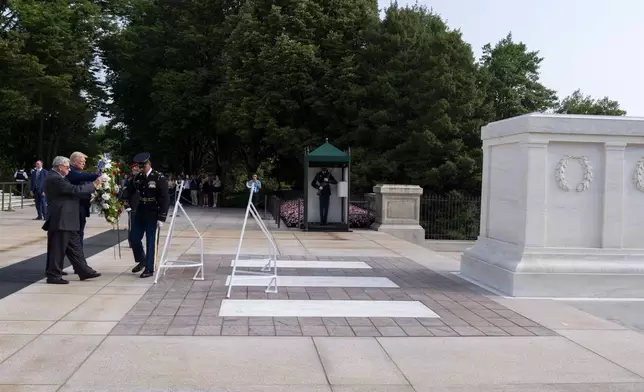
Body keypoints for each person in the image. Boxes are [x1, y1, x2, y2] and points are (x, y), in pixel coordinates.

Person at [42, 156, 104, 284]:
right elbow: (74, 190)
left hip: (67, 219)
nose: (69, 169)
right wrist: (94, 184)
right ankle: (53, 275)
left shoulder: (58, 177)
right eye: (67, 167)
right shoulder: (55, 178)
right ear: (60, 167)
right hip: (61, 219)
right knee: (58, 249)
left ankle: (83, 270)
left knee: (75, 248)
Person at [127, 152, 169, 278]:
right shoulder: (138, 177)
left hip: (153, 212)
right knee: (134, 238)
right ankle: (142, 260)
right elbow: (130, 190)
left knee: (151, 241)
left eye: (143, 166)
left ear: (149, 164)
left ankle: (149, 268)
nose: (142, 169)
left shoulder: (158, 177)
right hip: (140, 210)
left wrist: (162, 216)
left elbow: (165, 198)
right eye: (140, 167)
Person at [67, 152, 100, 248]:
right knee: (77, 235)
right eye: (82, 161)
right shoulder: (71, 171)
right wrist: (98, 175)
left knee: (79, 233)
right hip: (75, 208)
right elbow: (82, 177)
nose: (84, 164)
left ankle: (79, 257)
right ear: (74, 161)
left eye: (84, 162)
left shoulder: (78, 171)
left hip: (81, 208)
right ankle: (79, 258)